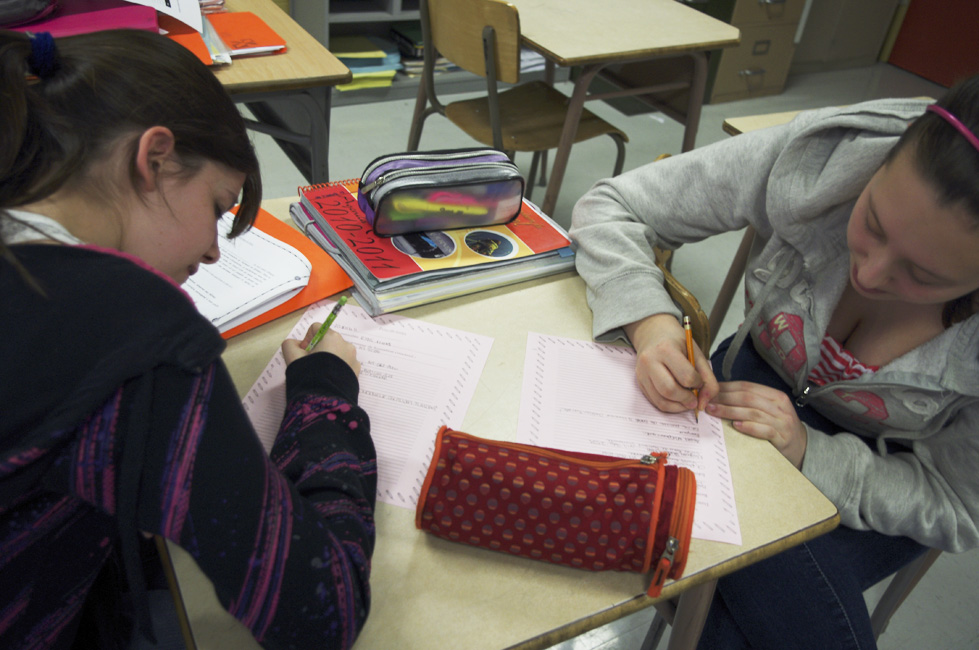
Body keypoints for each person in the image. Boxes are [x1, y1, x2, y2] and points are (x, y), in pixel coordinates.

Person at [570, 75, 979, 649]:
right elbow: (614, 205)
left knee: (719, 604)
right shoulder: (827, 155)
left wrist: (814, 454)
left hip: (888, 473)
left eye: (925, 277)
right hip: (752, 385)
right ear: (882, 162)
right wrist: (652, 325)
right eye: (873, 224)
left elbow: (956, 504)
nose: (870, 274)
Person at [0, 30, 377, 650]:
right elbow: (322, 616)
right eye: (218, 206)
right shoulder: (130, 331)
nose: (210, 250)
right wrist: (325, 397)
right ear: (154, 160)